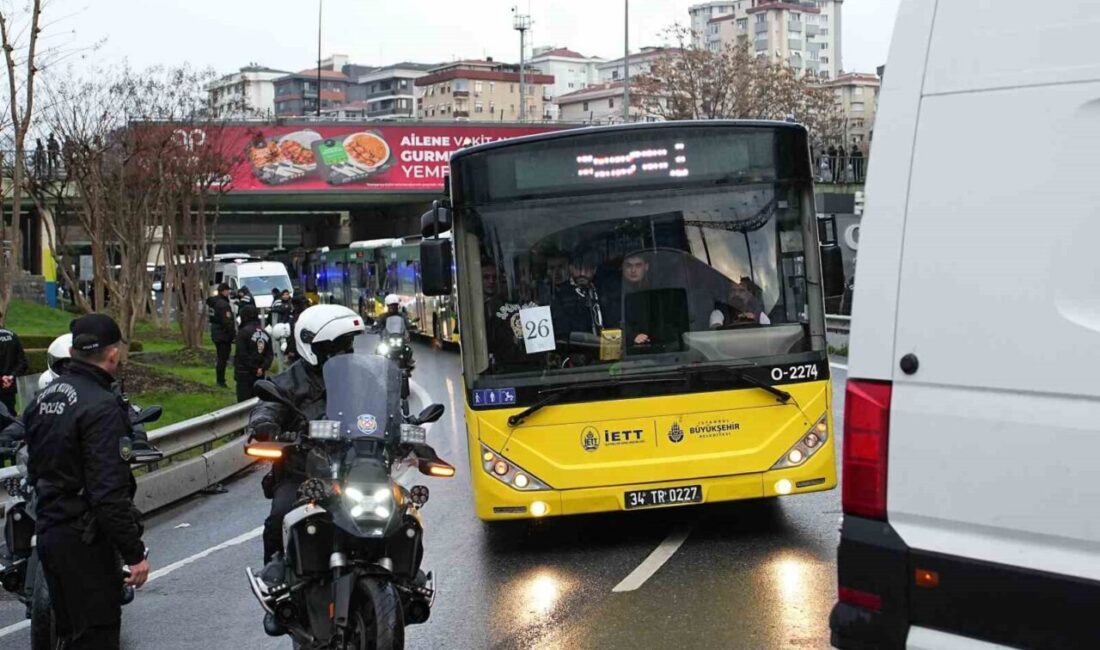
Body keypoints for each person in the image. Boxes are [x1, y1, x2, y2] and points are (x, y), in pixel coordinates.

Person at [23, 314, 150, 649]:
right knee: (96, 636)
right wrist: (134, 553)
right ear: (113, 354)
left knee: (69, 634)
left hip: (48, 533)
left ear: (74, 351)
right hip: (85, 543)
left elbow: (35, 467)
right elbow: (108, 493)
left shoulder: (43, 399)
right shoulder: (102, 406)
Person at [247, 305, 365, 565]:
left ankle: (407, 580)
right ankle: (275, 575)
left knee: (402, 513)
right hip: (302, 473)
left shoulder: (362, 377)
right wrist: (266, 425)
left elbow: (386, 407)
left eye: (348, 345)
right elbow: (267, 407)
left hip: (359, 470)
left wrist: (403, 425)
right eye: (336, 346)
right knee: (279, 516)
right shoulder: (287, 383)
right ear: (312, 347)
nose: (345, 353)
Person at [550, 250, 603, 340]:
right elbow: (562, 332)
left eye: (587, 269)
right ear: (570, 268)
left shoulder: (603, 291)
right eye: (578, 268)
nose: (582, 273)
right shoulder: (561, 295)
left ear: (594, 270)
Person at [234, 305, 273, 402]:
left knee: (244, 403)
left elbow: (242, 354)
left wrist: (254, 368)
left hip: (244, 372)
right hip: (260, 374)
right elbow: (269, 354)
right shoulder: (265, 333)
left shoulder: (243, 333)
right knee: (258, 401)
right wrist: (262, 368)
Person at [207, 283, 236, 388]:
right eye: (227, 290)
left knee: (221, 357)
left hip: (216, 332)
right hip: (223, 334)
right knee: (223, 358)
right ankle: (220, 381)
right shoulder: (223, 305)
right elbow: (227, 322)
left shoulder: (214, 302)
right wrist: (233, 335)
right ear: (224, 291)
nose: (229, 292)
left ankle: (220, 380)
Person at [0, 317, 29, 415]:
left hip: (5, 385)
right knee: (9, 416)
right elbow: (23, 363)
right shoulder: (13, 336)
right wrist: (11, 377)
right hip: (9, 387)